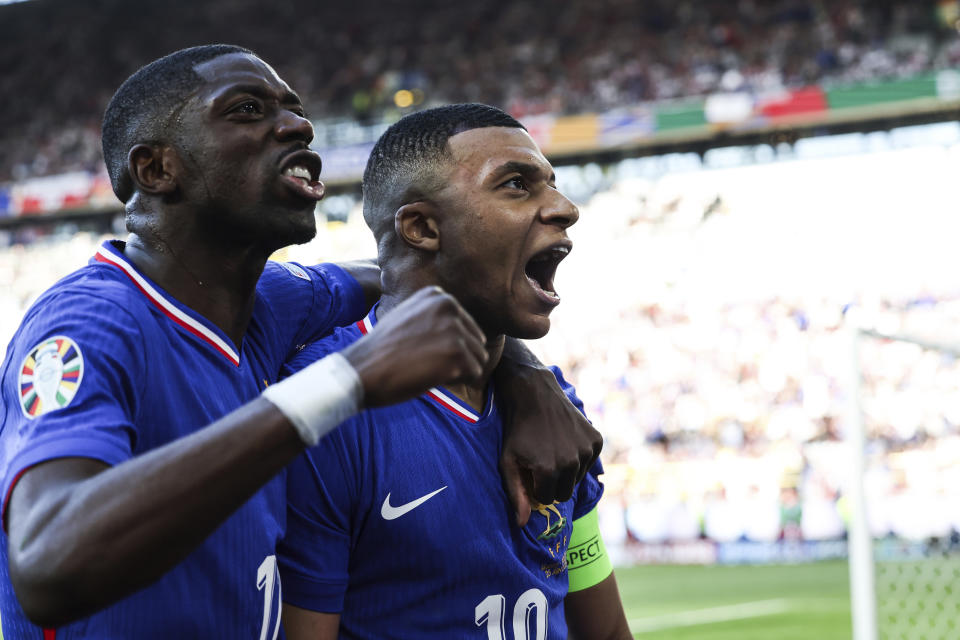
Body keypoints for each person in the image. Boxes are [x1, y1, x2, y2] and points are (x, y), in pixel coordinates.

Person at [0, 47, 601, 638]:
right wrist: (346, 382)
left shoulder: (272, 306)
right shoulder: (90, 323)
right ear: (158, 170)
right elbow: (47, 566)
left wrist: (525, 375)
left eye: (293, 108)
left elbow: (421, 275)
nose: (298, 125)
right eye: (246, 109)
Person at [278, 104, 631, 639]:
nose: (564, 208)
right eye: (517, 185)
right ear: (421, 227)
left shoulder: (552, 404)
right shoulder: (326, 410)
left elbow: (601, 629)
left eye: (553, 184)